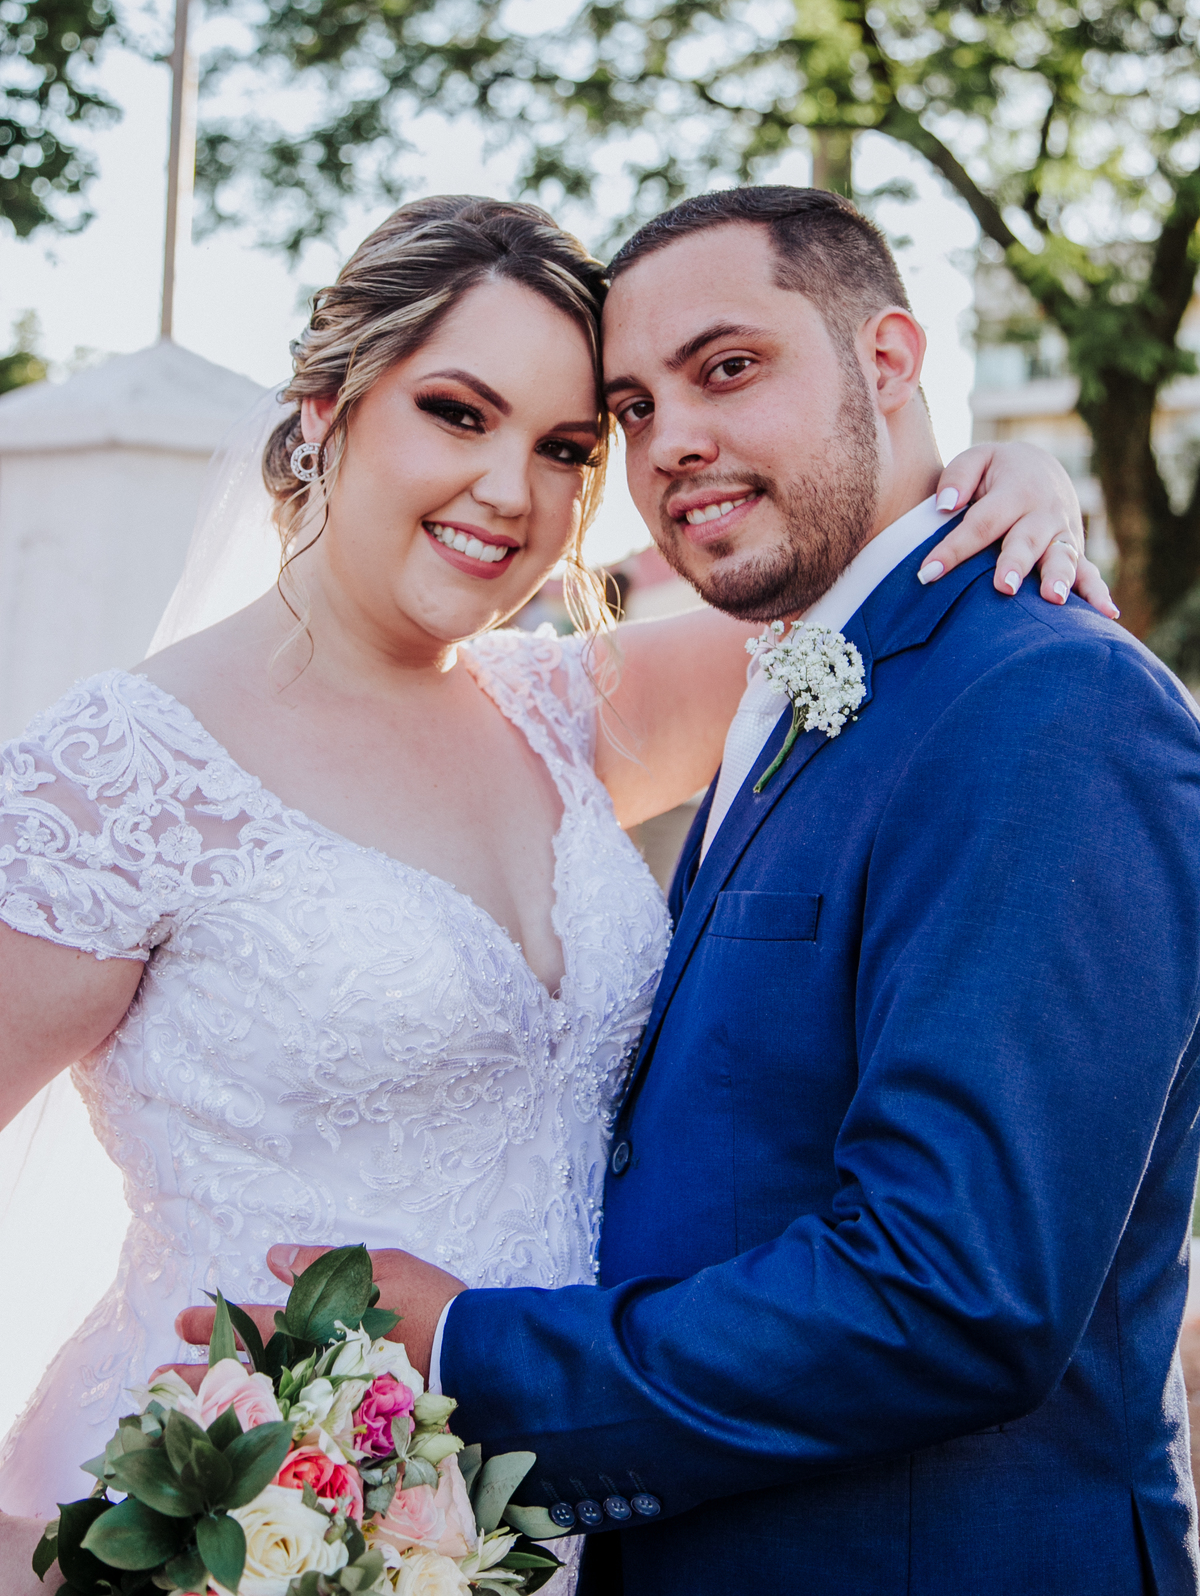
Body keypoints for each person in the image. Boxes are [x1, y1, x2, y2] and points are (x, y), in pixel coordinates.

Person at [0, 193, 1103, 1593]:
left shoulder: (569, 710)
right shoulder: (118, 773)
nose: (512, 493)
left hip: (562, 1511)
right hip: (227, 1524)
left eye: (568, 448)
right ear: (326, 411)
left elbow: (878, 596)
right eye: (457, 414)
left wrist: (1015, 477)